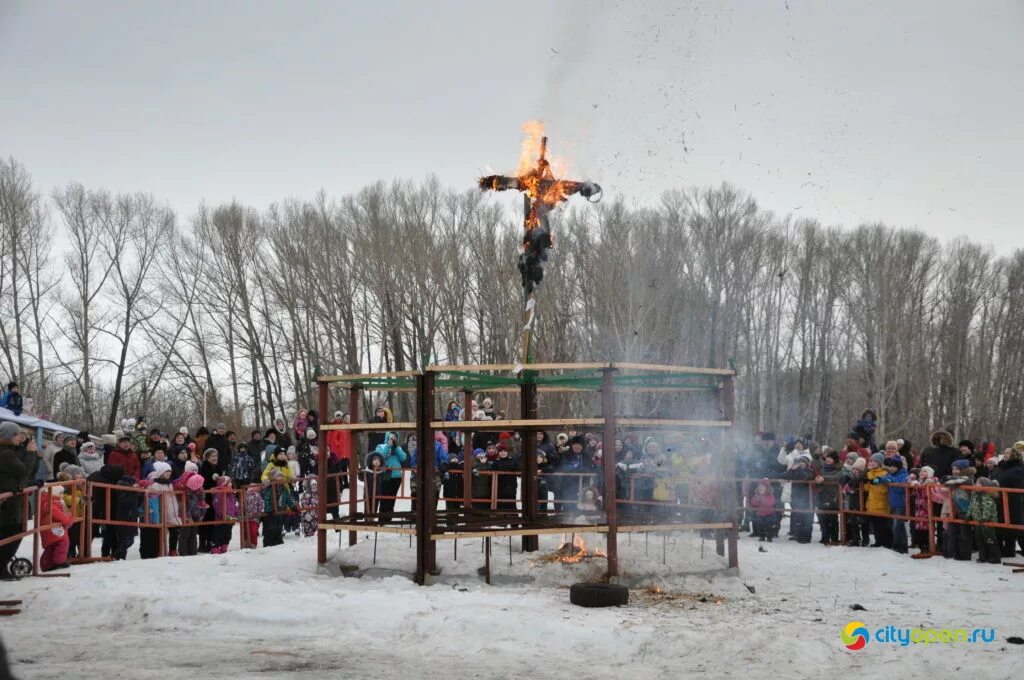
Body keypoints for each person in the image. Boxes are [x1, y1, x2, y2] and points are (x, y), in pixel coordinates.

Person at [0, 422, 37, 579]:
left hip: (10, 499)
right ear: (8, 436)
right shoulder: (6, 453)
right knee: (12, 533)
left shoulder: (10, 451)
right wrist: (30, 453)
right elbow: (23, 471)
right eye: (17, 435)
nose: (20, 438)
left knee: (11, 532)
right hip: (7, 501)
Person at [140, 461, 178, 559]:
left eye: (169, 472)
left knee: (174, 530)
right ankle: (161, 550)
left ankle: (172, 549)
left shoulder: (170, 484)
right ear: (161, 473)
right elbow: (153, 500)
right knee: (161, 531)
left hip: (171, 510)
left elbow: (172, 498)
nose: (168, 474)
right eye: (166, 472)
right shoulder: (156, 485)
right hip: (161, 511)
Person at [873, 454, 909, 554]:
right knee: (898, 526)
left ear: (898, 467)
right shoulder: (890, 474)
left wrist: (890, 481)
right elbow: (884, 477)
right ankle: (903, 546)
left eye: (894, 467)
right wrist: (878, 479)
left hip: (900, 504)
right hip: (892, 503)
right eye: (891, 466)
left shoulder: (903, 474)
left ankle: (897, 545)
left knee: (897, 526)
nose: (892, 469)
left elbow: (901, 487)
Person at [993, 445, 1024, 558]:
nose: (1005, 454)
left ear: (1014, 454)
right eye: (1004, 452)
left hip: (1012, 501)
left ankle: (1009, 551)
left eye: (1008, 453)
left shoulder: (1018, 468)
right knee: (998, 525)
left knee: (1012, 526)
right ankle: (999, 550)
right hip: (998, 499)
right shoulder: (1000, 467)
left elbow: (1019, 484)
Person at [943, 459, 975, 560]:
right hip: (956, 507)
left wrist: (947, 479)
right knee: (953, 530)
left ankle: (965, 554)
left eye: (957, 469)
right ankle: (953, 551)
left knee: (964, 532)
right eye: (953, 469)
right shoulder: (956, 478)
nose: (955, 471)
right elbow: (945, 480)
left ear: (964, 469)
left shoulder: (968, 479)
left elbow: (952, 483)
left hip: (966, 508)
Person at [374, 431, 407, 522]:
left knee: (392, 498)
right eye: (391, 436)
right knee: (384, 498)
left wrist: (396, 447)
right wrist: (388, 446)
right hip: (385, 475)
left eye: (395, 437)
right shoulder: (380, 446)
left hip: (396, 476)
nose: (393, 438)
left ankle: (389, 518)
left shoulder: (398, 448)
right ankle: (382, 518)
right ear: (387, 437)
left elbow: (403, 458)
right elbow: (380, 458)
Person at [39, 485, 72, 572]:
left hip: (50, 528)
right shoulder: (50, 503)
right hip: (52, 528)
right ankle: (59, 561)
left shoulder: (50, 501)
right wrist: (68, 519)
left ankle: (46, 564)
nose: (63, 495)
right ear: (54, 494)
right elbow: (59, 515)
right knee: (62, 542)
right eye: (61, 493)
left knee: (51, 546)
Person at [969, 479, 1002, 564]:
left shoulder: (987, 497)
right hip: (978, 522)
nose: (976, 484)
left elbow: (988, 508)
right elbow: (971, 506)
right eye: (976, 482)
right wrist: (968, 515)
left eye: (979, 483)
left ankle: (995, 557)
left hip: (987, 522)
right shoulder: (975, 496)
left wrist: (984, 518)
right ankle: (982, 556)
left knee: (990, 539)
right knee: (979, 539)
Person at [783, 453, 814, 543]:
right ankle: (797, 534)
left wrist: (798, 469)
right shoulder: (795, 471)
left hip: (806, 499)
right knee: (797, 517)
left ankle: (806, 537)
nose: (801, 463)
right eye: (799, 462)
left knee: (806, 518)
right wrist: (792, 469)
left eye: (803, 462)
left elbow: (804, 477)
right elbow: (785, 476)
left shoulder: (809, 471)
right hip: (796, 498)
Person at [814, 450, 842, 545]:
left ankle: (834, 538)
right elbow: (818, 477)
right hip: (823, 495)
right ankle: (825, 537)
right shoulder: (821, 469)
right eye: (828, 457)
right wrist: (817, 479)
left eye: (831, 458)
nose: (829, 460)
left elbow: (837, 478)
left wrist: (824, 479)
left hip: (833, 495)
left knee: (833, 518)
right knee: (823, 518)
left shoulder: (838, 469)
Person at [865, 453, 891, 548]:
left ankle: (885, 542)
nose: (872, 463)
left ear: (880, 463)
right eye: (871, 460)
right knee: (875, 524)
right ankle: (878, 541)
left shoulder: (884, 473)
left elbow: (884, 489)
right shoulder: (869, 473)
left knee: (882, 525)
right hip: (871, 502)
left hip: (881, 502)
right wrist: (866, 483)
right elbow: (866, 488)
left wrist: (875, 484)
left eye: (874, 461)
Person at [211, 475, 238, 553]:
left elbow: (234, 504)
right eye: (229, 482)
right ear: (224, 483)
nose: (231, 484)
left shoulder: (231, 493)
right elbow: (217, 505)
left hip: (231, 517)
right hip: (221, 518)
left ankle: (224, 545)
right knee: (219, 532)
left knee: (228, 533)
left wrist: (236, 513)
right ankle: (215, 546)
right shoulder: (219, 493)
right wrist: (223, 515)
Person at [490, 443, 518, 511]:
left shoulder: (512, 460)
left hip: (511, 487)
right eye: (501, 451)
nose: (503, 453)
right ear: (498, 453)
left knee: (511, 504)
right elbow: (495, 469)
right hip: (500, 487)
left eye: (504, 451)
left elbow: (517, 467)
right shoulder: (495, 462)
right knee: (500, 505)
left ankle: (512, 518)